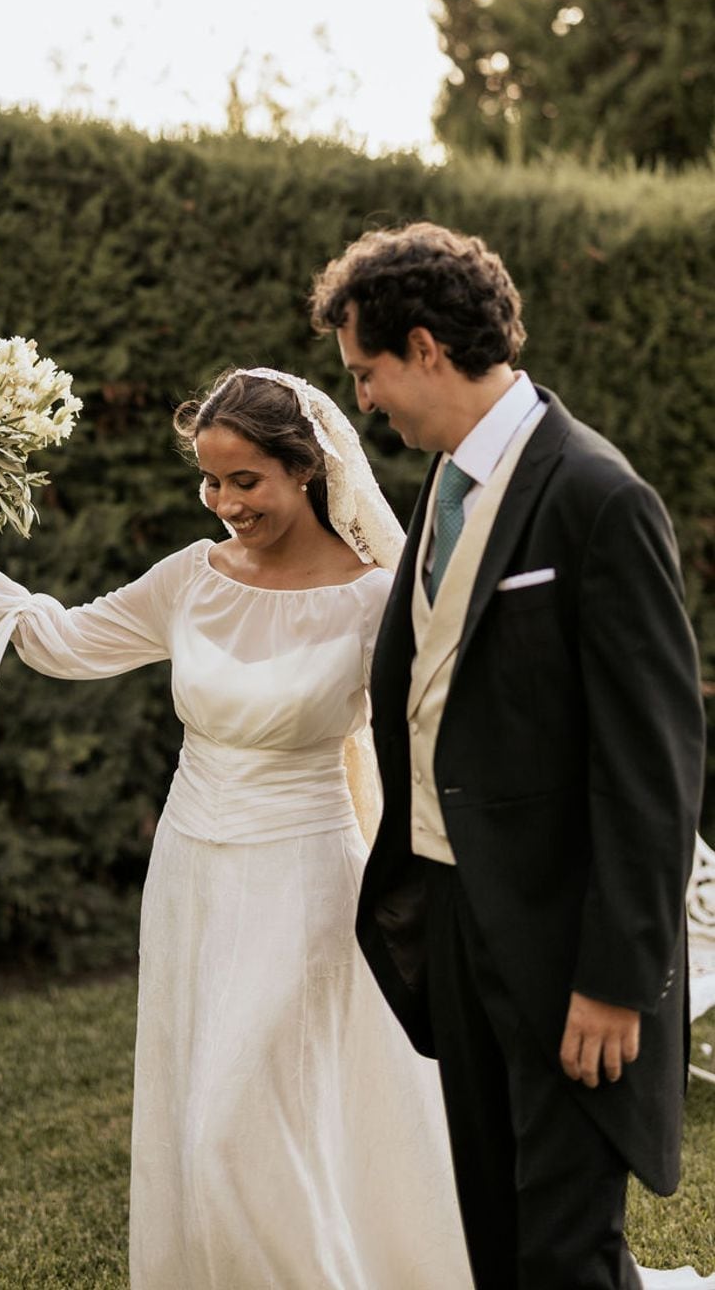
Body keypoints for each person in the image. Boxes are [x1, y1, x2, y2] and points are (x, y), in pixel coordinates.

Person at [0, 367, 475, 1289]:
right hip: (190, 873)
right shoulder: (192, 577)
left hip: (307, 878)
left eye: (245, 481)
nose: (224, 503)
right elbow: (69, 641)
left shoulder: (377, 599)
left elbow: (433, 735)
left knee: (233, 1125)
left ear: (307, 470)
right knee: (202, 1112)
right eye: (210, 482)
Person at [309, 221, 707, 1290]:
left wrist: (617, 982)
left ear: (427, 346)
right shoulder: (440, 487)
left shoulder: (597, 496)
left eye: (368, 372)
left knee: (566, 1253)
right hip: (454, 924)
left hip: (565, 946)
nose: (365, 402)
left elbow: (653, 764)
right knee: (494, 1235)